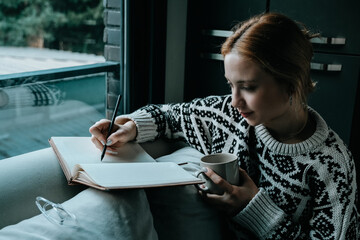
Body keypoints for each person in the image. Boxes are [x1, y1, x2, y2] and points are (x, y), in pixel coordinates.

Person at [90, 13, 359, 239]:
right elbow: (170, 116)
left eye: (249, 87)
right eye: (231, 84)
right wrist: (131, 126)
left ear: (292, 82)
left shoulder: (331, 166)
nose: (234, 101)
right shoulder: (228, 117)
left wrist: (255, 209)